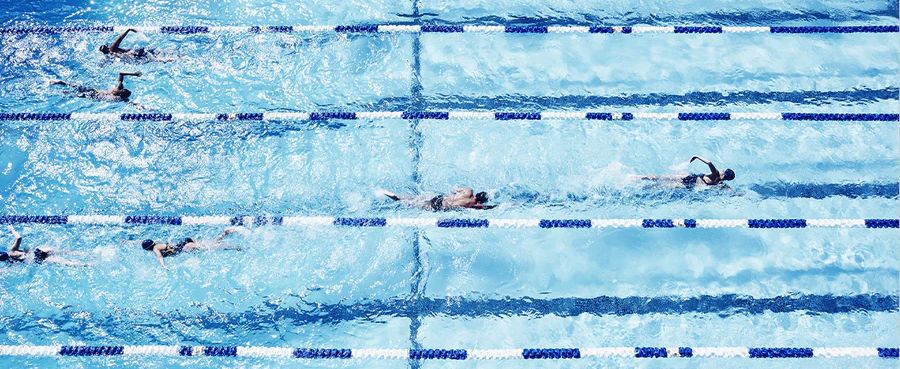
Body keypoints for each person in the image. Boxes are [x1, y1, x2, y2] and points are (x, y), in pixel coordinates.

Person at [141, 227, 242, 268]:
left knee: (210, 248)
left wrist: (163, 265)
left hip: (186, 247)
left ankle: (235, 247)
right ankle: (225, 233)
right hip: (185, 243)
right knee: (210, 244)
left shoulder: (155, 248)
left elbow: (159, 256)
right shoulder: (158, 244)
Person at [1, 225, 90, 266]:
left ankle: (87, 264)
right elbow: (19, 238)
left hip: (36, 259)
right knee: (64, 252)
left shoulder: (10, 262)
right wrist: (12, 229)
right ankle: (85, 253)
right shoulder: (12, 250)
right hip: (38, 251)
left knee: (66, 262)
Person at [639, 156, 735, 189]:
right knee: (663, 186)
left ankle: (638, 178)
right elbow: (729, 190)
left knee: (661, 178)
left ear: (724, 174)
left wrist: (696, 156)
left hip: (689, 178)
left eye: (724, 170)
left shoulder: (716, 173)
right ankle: (644, 186)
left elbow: (709, 163)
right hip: (689, 186)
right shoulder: (720, 184)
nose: (722, 170)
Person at [51, 72, 141, 102]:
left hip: (93, 90)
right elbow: (131, 103)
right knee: (76, 95)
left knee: (75, 86)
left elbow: (121, 73)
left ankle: (60, 82)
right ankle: (65, 93)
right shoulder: (121, 99)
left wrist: (134, 74)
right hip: (94, 96)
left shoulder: (118, 87)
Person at [379, 188, 496, 211]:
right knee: (411, 204)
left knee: (414, 199)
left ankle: (395, 194)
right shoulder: (474, 205)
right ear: (480, 201)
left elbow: (454, 189)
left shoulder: (468, 190)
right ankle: (395, 198)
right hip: (439, 207)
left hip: (440, 197)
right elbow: (486, 208)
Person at [99, 28, 170, 61]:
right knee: (158, 52)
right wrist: (129, 29)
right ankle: (173, 55)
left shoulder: (109, 57)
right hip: (136, 52)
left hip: (136, 59)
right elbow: (120, 37)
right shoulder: (112, 48)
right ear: (107, 47)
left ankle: (173, 59)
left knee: (157, 59)